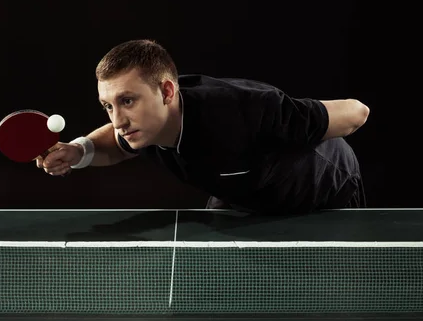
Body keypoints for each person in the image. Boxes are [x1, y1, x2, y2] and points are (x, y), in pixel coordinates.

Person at [38, 39, 370, 215]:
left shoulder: (246, 110)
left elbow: (357, 112)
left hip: (322, 189)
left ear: (167, 92)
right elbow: (114, 145)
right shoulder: (142, 128)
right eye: (108, 106)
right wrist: (78, 150)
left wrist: (301, 124)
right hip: (246, 193)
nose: (118, 120)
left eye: (128, 101)